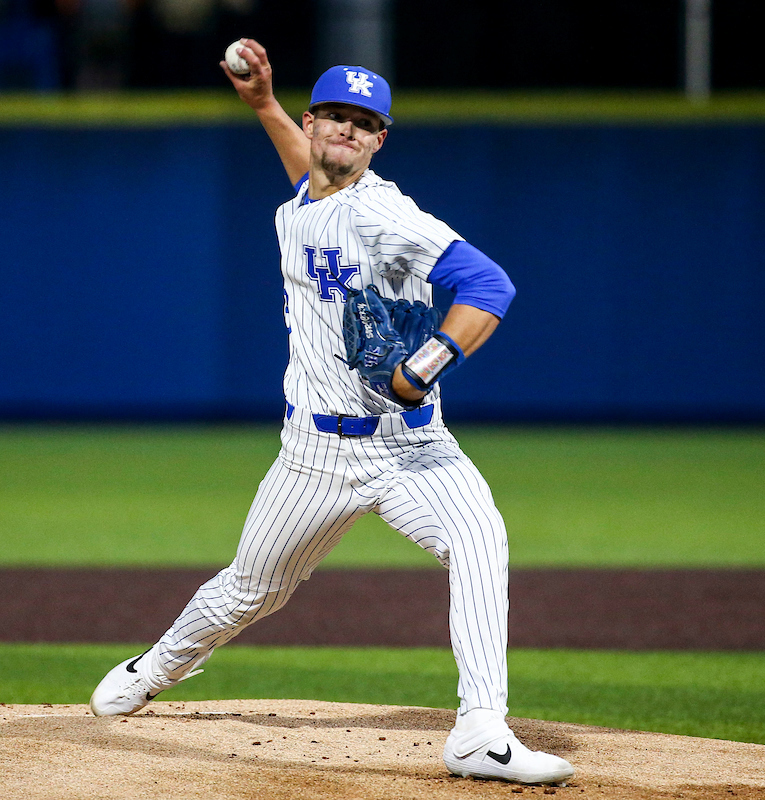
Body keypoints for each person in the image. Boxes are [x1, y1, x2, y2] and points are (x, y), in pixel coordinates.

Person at [89, 39, 574, 786]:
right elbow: (308, 174)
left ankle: (480, 730)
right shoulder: (300, 204)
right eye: (335, 117)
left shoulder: (386, 214)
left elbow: (489, 284)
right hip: (311, 457)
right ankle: (155, 666)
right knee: (251, 589)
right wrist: (262, 105)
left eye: (363, 123)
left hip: (411, 447)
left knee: (481, 540)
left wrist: (423, 367)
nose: (346, 131)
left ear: (380, 140)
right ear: (314, 124)